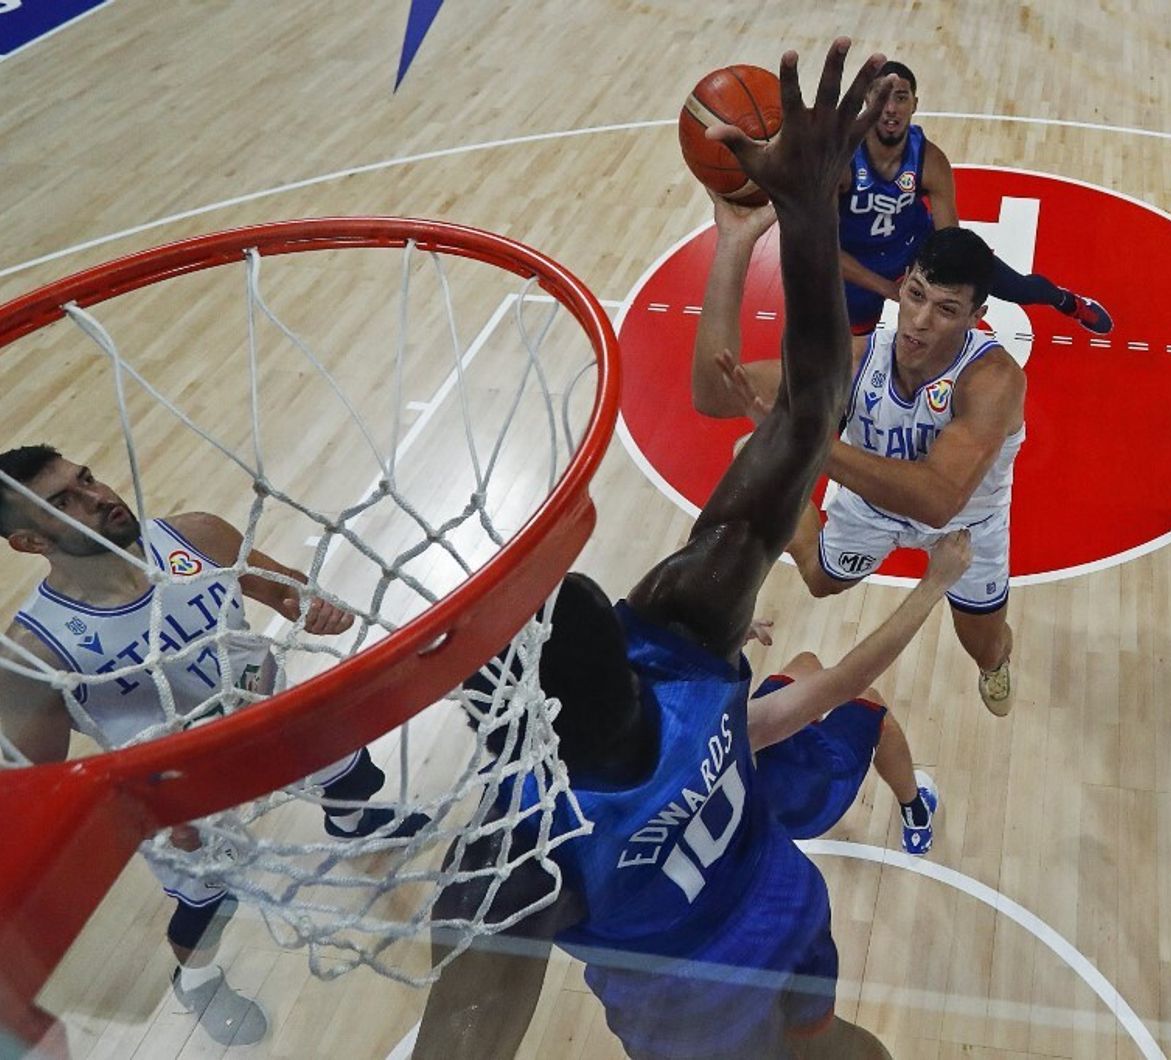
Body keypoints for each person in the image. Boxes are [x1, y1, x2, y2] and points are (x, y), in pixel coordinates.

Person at [412, 40, 901, 1060]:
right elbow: (813, 400)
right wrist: (808, 216)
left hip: (696, 1008)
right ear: (620, 637)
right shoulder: (677, 634)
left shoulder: (521, 852)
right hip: (780, 897)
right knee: (837, 1048)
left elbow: (461, 1038)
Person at [0, 445, 428, 1047]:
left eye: (87, 478)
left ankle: (354, 824)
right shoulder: (35, 653)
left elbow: (286, 594)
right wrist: (137, 809)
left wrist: (314, 609)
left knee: (354, 776)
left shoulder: (197, 536)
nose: (97, 497)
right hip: (180, 796)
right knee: (211, 908)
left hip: (270, 714)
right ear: (29, 542)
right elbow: (40, 789)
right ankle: (196, 981)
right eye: (63, 502)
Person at [692, 202, 1026, 718]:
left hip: (966, 523)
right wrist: (733, 245)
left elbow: (937, 501)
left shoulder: (994, 380)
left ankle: (995, 661)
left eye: (945, 308)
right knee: (822, 580)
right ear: (902, 285)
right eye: (915, 294)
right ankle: (789, 479)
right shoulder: (855, 358)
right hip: (872, 505)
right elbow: (715, 393)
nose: (918, 320)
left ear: (976, 317)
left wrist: (801, 443)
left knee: (984, 646)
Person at [840, 59, 1113, 342]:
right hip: (854, 264)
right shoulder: (839, 161)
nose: (891, 109)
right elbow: (819, 246)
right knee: (854, 351)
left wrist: (952, 283)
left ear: (915, 103)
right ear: (866, 100)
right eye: (882, 97)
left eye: (900, 97)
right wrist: (887, 287)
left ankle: (1067, 301)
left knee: (1016, 286)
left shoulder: (930, 160)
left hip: (914, 248)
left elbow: (951, 238)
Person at [747, 527, 969, 856]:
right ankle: (915, 810)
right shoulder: (706, 721)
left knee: (806, 663)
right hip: (806, 795)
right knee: (869, 703)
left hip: (754, 768)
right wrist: (934, 583)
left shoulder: (675, 736)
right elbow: (849, 678)